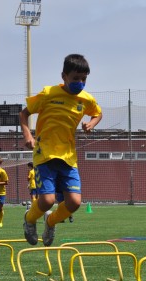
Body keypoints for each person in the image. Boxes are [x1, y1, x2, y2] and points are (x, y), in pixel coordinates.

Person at [20, 53, 102, 246]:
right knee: (47, 201)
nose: (80, 83)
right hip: (45, 154)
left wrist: (91, 124)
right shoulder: (49, 94)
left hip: (68, 157)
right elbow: (24, 114)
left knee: (74, 202)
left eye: (84, 79)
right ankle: (29, 219)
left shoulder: (86, 99)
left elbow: (98, 113)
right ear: (64, 76)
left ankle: (50, 222)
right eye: (75, 78)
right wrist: (28, 136)